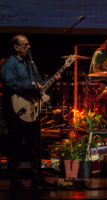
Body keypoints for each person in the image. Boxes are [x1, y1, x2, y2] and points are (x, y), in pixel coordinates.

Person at [0, 34, 61, 189]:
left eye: (28, 44)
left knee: (35, 144)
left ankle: (37, 178)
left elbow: (38, 82)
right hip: (16, 110)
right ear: (16, 47)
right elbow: (9, 82)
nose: (29, 47)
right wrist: (32, 87)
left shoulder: (31, 64)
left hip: (31, 110)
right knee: (15, 145)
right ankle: (15, 180)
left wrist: (51, 80)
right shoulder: (9, 64)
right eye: (25, 45)